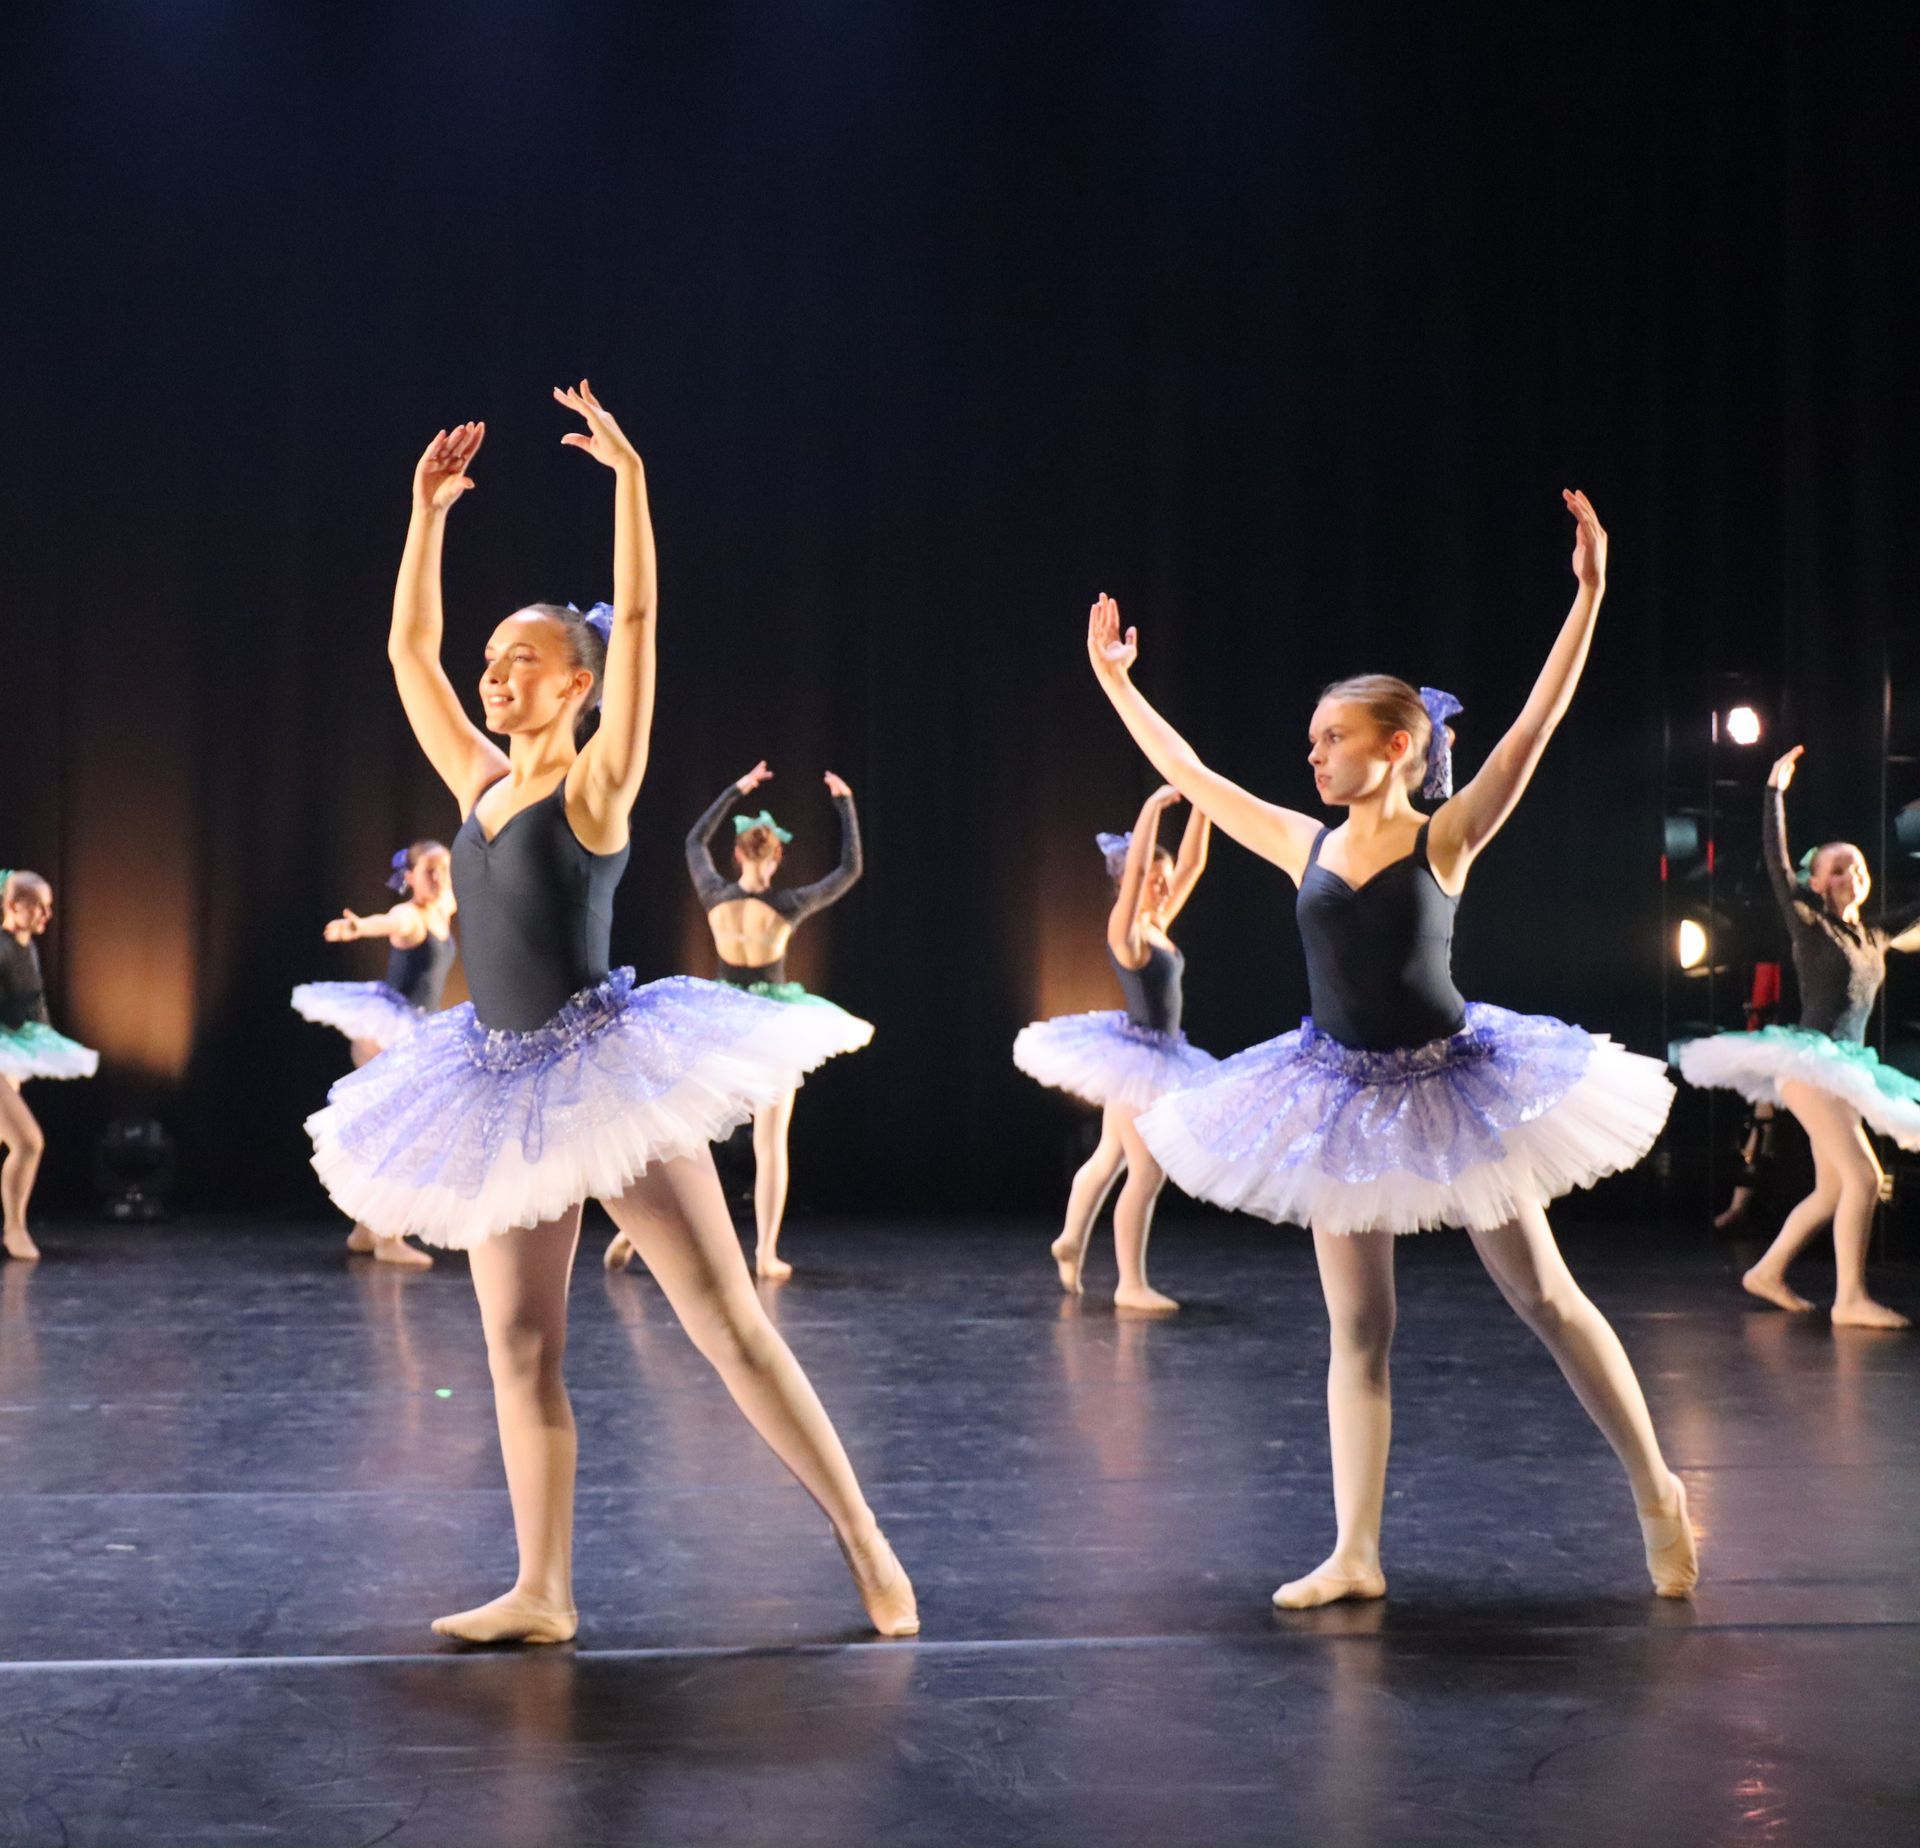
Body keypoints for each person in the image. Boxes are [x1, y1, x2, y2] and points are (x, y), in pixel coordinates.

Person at [306, 384, 916, 1643]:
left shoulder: (596, 788)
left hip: (599, 1070)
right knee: (519, 1346)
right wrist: (425, 517)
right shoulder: (478, 785)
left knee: (727, 1323)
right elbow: (408, 655)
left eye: (520, 661)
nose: (494, 676)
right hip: (494, 1079)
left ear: (577, 683)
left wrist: (631, 483)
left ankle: (864, 1540)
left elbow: (636, 619)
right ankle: (544, 1589)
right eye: (492, 663)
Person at [1087, 490, 1697, 1607]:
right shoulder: (1303, 841)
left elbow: (1534, 727)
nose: (1313, 755)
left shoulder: (1447, 837)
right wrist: (1120, 685)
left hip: (1458, 1087)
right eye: (1312, 741)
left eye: (1333, 738)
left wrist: (1591, 594)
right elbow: (1199, 777)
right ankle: (1355, 1553)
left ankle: (1658, 1489)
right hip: (1336, 1094)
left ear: (1398, 745)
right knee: (1358, 1327)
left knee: (1546, 1298)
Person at [1679, 747, 1920, 1327]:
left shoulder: (1873, 935)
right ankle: (1850, 1299)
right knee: (1864, 1177)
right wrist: (1773, 793)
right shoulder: (1811, 925)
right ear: (1816, 882)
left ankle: (1766, 1271)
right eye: (1837, 868)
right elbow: (1776, 861)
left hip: (1847, 1068)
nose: (1850, 874)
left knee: (1834, 1190)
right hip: (1810, 1066)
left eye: (1856, 866)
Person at [604, 763, 871, 1281]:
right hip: (769, 1022)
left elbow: (693, 842)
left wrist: (736, 789)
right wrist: (845, 802)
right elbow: (849, 870)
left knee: (684, 1128)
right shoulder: (788, 904)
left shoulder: (715, 895)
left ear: (738, 854)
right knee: (770, 1141)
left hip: (719, 1017)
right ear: (777, 856)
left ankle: (635, 1232)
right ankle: (765, 1254)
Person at [1013, 785, 1215, 1310]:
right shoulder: (1127, 933)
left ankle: (1070, 1240)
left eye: (1165, 880)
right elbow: (1142, 865)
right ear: (1129, 882)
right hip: (1138, 1062)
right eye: (1153, 879)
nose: (1164, 887)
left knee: (1110, 1157)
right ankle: (1130, 1284)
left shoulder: (1158, 924)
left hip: (1156, 1056)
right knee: (1147, 1171)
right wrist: (1151, 808)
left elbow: (1193, 864)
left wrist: (1205, 802)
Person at [292, 840, 457, 1267]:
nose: (439, 878)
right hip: (387, 1033)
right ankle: (387, 1237)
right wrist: (359, 928)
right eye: (429, 871)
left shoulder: (443, 908)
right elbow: (388, 921)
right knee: (400, 1137)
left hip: (416, 1030)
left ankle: (366, 1231)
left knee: (391, 1133)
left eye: (444, 868)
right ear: (410, 877)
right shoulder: (410, 916)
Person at [0, 870, 99, 1262]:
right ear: (12, 906)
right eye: (37, 906)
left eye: (49, 906)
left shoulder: (26, 948)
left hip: (9, 1054)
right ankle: (15, 1229)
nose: (46, 914)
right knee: (27, 1142)